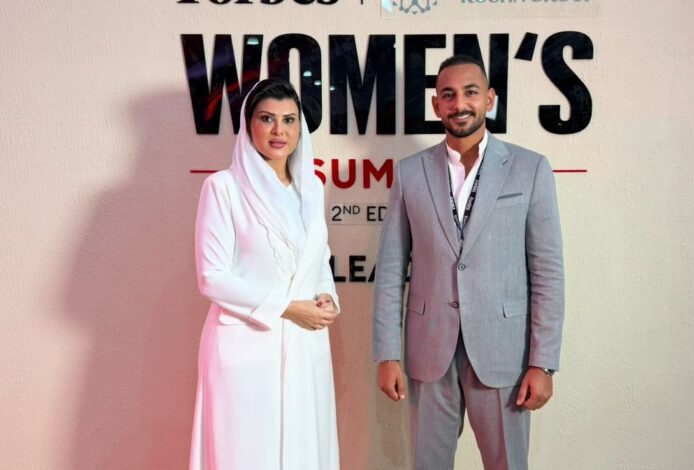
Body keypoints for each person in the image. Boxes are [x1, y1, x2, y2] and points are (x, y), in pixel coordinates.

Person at [373, 55, 565, 470]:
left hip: (504, 353)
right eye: (448, 95)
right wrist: (387, 354)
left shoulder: (530, 168)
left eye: (470, 92)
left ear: (489, 99)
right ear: (436, 105)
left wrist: (543, 361)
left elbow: (547, 273)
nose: (459, 103)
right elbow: (390, 271)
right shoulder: (409, 173)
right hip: (429, 351)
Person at [190, 79, 340, 470]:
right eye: (267, 118)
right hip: (245, 348)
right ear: (248, 124)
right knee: (246, 453)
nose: (279, 130)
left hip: (306, 345)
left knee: (304, 450)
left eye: (289, 120)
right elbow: (211, 276)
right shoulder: (223, 187)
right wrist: (288, 308)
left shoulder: (312, 188)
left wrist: (327, 296)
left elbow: (318, 259)